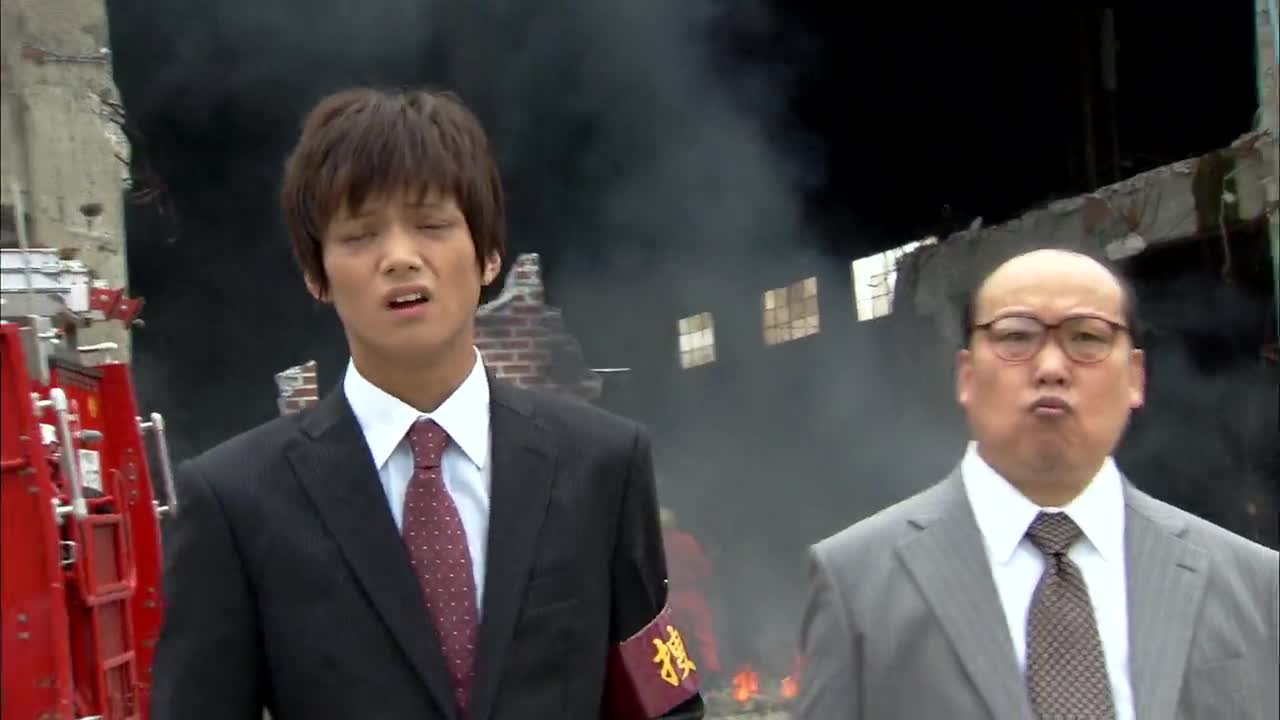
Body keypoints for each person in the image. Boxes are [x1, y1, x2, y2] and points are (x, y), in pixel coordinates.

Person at [151, 87, 703, 720]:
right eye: (360, 235)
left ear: (488, 256)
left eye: (432, 225)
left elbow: (662, 705)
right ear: (317, 275)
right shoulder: (235, 502)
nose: (399, 258)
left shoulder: (603, 466)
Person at [796, 248, 1279, 719]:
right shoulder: (855, 582)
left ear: (1135, 377)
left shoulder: (1253, 584)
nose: (1050, 368)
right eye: (1015, 337)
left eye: (1086, 337)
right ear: (967, 375)